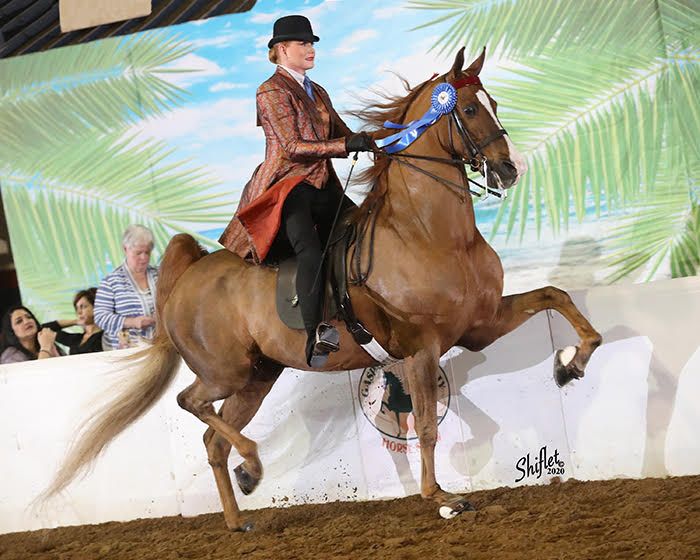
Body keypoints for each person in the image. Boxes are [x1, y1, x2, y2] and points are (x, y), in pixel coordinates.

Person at [218, 14, 375, 368]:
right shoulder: (270, 90)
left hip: (322, 184)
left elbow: (342, 131)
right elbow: (291, 146)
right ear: (280, 49)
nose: (310, 48)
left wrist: (380, 140)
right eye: (303, 43)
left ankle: (355, 312)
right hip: (287, 188)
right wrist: (345, 144)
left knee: (361, 231)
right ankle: (313, 335)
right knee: (309, 250)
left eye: (312, 43)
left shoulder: (317, 91)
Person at [94, 225, 158, 350]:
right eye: (138, 253)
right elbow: (100, 317)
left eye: (147, 252)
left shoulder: (160, 275)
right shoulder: (111, 281)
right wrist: (132, 322)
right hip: (128, 351)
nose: (144, 258)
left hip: (161, 347)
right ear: (125, 249)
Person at [43, 288, 103, 355]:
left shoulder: (107, 336)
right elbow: (44, 328)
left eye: (83, 307)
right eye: (77, 308)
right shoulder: (76, 339)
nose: (79, 312)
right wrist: (75, 321)